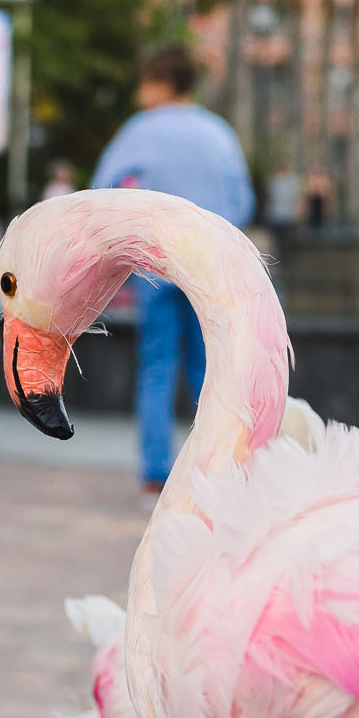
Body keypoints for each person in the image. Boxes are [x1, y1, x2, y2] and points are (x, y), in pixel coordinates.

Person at [91, 43, 254, 499]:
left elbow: (99, 189)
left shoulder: (140, 131)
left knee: (157, 365)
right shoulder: (219, 132)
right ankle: (215, 470)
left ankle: (155, 473)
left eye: (144, 83)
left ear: (161, 83)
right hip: (210, 266)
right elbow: (242, 201)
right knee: (210, 369)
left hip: (158, 264)